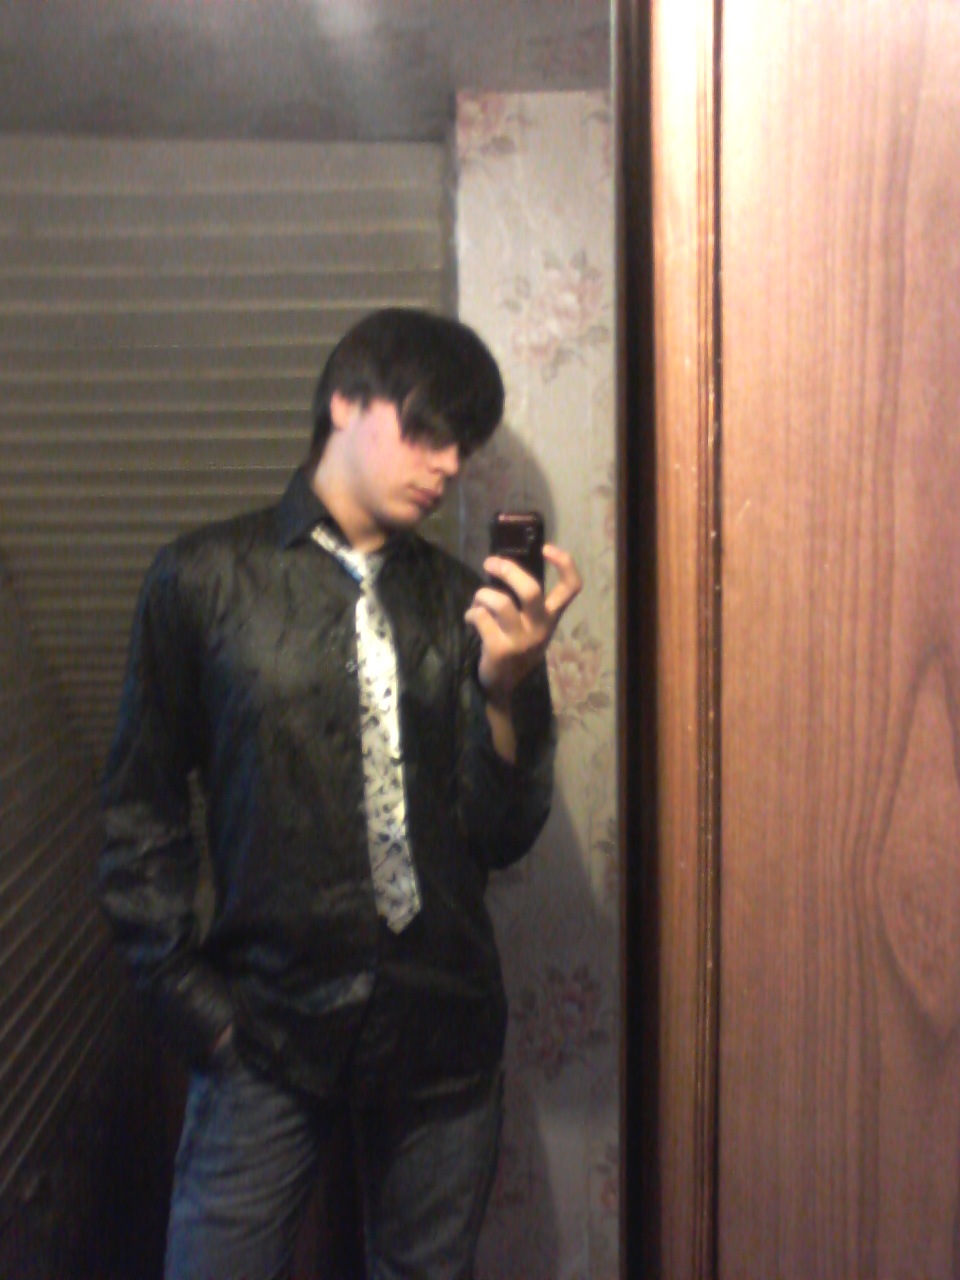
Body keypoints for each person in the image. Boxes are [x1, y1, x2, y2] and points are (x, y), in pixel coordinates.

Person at [97, 307, 582, 1280]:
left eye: (464, 442)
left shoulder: (466, 604)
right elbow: (140, 810)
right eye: (427, 429)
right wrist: (195, 1005)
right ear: (345, 402)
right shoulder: (202, 579)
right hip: (263, 1026)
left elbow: (500, 833)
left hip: (442, 1028)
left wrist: (505, 689)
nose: (449, 463)